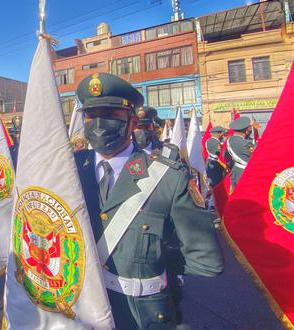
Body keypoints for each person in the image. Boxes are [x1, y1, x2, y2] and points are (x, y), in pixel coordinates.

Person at [73, 73, 224, 329]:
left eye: (111, 114)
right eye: (91, 114)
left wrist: (152, 262)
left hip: (139, 315)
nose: (98, 124)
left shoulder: (167, 176)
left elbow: (206, 260)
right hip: (80, 310)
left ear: (133, 122)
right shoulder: (71, 169)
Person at [225, 117, 254, 191]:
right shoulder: (247, 144)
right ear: (246, 131)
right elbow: (256, 157)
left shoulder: (230, 140)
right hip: (245, 172)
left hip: (236, 170)